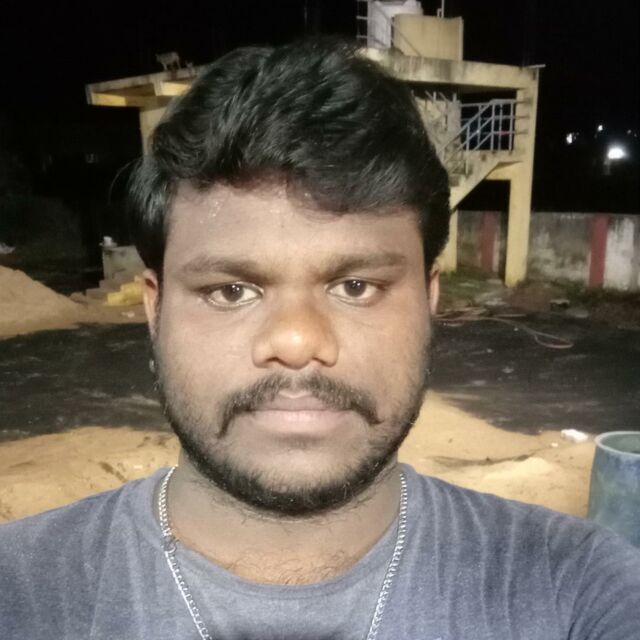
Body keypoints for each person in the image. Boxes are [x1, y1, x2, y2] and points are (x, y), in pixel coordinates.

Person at [1, 38, 639, 640]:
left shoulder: (573, 587)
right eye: (231, 290)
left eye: (356, 286)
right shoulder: (21, 591)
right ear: (155, 307)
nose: (297, 340)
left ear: (430, 301)